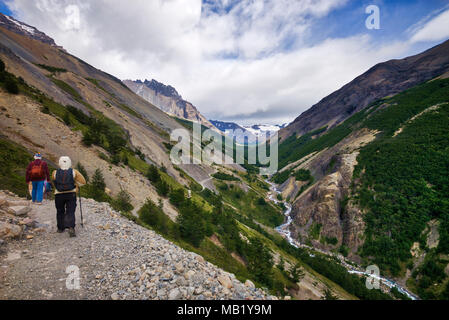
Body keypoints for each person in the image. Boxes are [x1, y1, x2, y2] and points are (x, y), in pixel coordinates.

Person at [51, 156, 86, 237]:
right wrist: (76, 185)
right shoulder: (74, 172)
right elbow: (83, 182)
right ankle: (71, 227)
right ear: (69, 163)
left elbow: (54, 181)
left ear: (60, 163)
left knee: (60, 211)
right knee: (70, 211)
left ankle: (60, 228)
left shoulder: (55, 172)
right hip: (71, 194)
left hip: (58, 194)